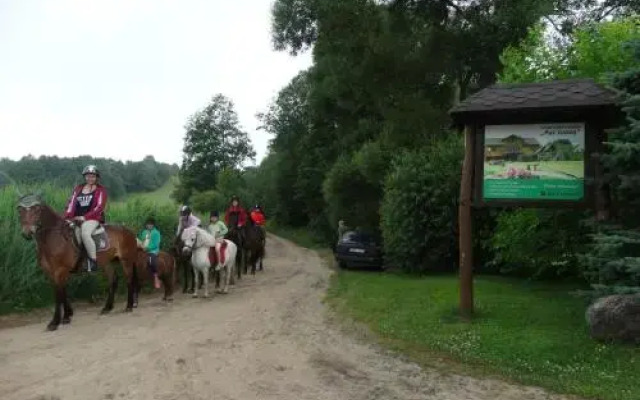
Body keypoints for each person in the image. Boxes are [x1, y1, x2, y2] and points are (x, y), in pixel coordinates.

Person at [63, 164, 108, 272]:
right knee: (72, 234)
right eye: (88, 176)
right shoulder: (78, 188)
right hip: (77, 218)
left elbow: (99, 207)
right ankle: (78, 260)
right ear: (85, 176)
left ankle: (93, 261)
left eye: (93, 176)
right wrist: (68, 216)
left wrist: (85, 217)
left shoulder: (101, 190)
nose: (90, 178)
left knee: (85, 233)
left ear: (96, 177)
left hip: (93, 219)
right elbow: (72, 203)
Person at [138, 217, 162, 289]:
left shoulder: (156, 232)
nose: (149, 226)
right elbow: (142, 240)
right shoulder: (144, 232)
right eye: (148, 225)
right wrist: (140, 244)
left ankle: (156, 277)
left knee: (152, 261)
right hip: (143, 249)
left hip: (153, 250)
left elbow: (156, 244)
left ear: (153, 225)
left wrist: (148, 248)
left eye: (150, 225)